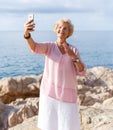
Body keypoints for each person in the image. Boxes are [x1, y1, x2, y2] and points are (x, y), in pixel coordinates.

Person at [24, 18, 86, 130]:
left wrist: (73, 56)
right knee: (49, 125)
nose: (61, 29)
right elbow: (34, 47)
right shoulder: (49, 47)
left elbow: (82, 71)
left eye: (65, 28)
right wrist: (27, 34)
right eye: (59, 27)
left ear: (69, 32)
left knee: (67, 126)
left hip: (67, 94)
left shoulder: (73, 50)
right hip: (49, 93)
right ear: (55, 30)